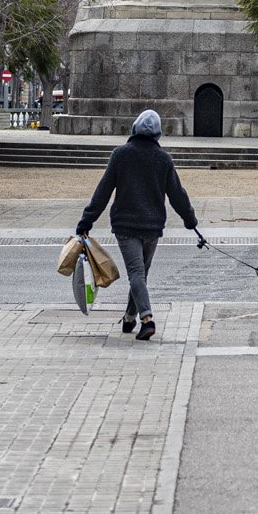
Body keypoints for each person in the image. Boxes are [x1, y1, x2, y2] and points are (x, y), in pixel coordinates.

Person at [76, 109, 199, 341]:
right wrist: (190, 220)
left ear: (134, 128)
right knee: (140, 273)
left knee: (136, 273)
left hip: (126, 225)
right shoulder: (163, 159)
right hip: (152, 226)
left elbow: (102, 192)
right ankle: (130, 318)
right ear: (158, 133)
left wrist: (86, 220)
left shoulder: (120, 155)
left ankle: (146, 319)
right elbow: (177, 195)